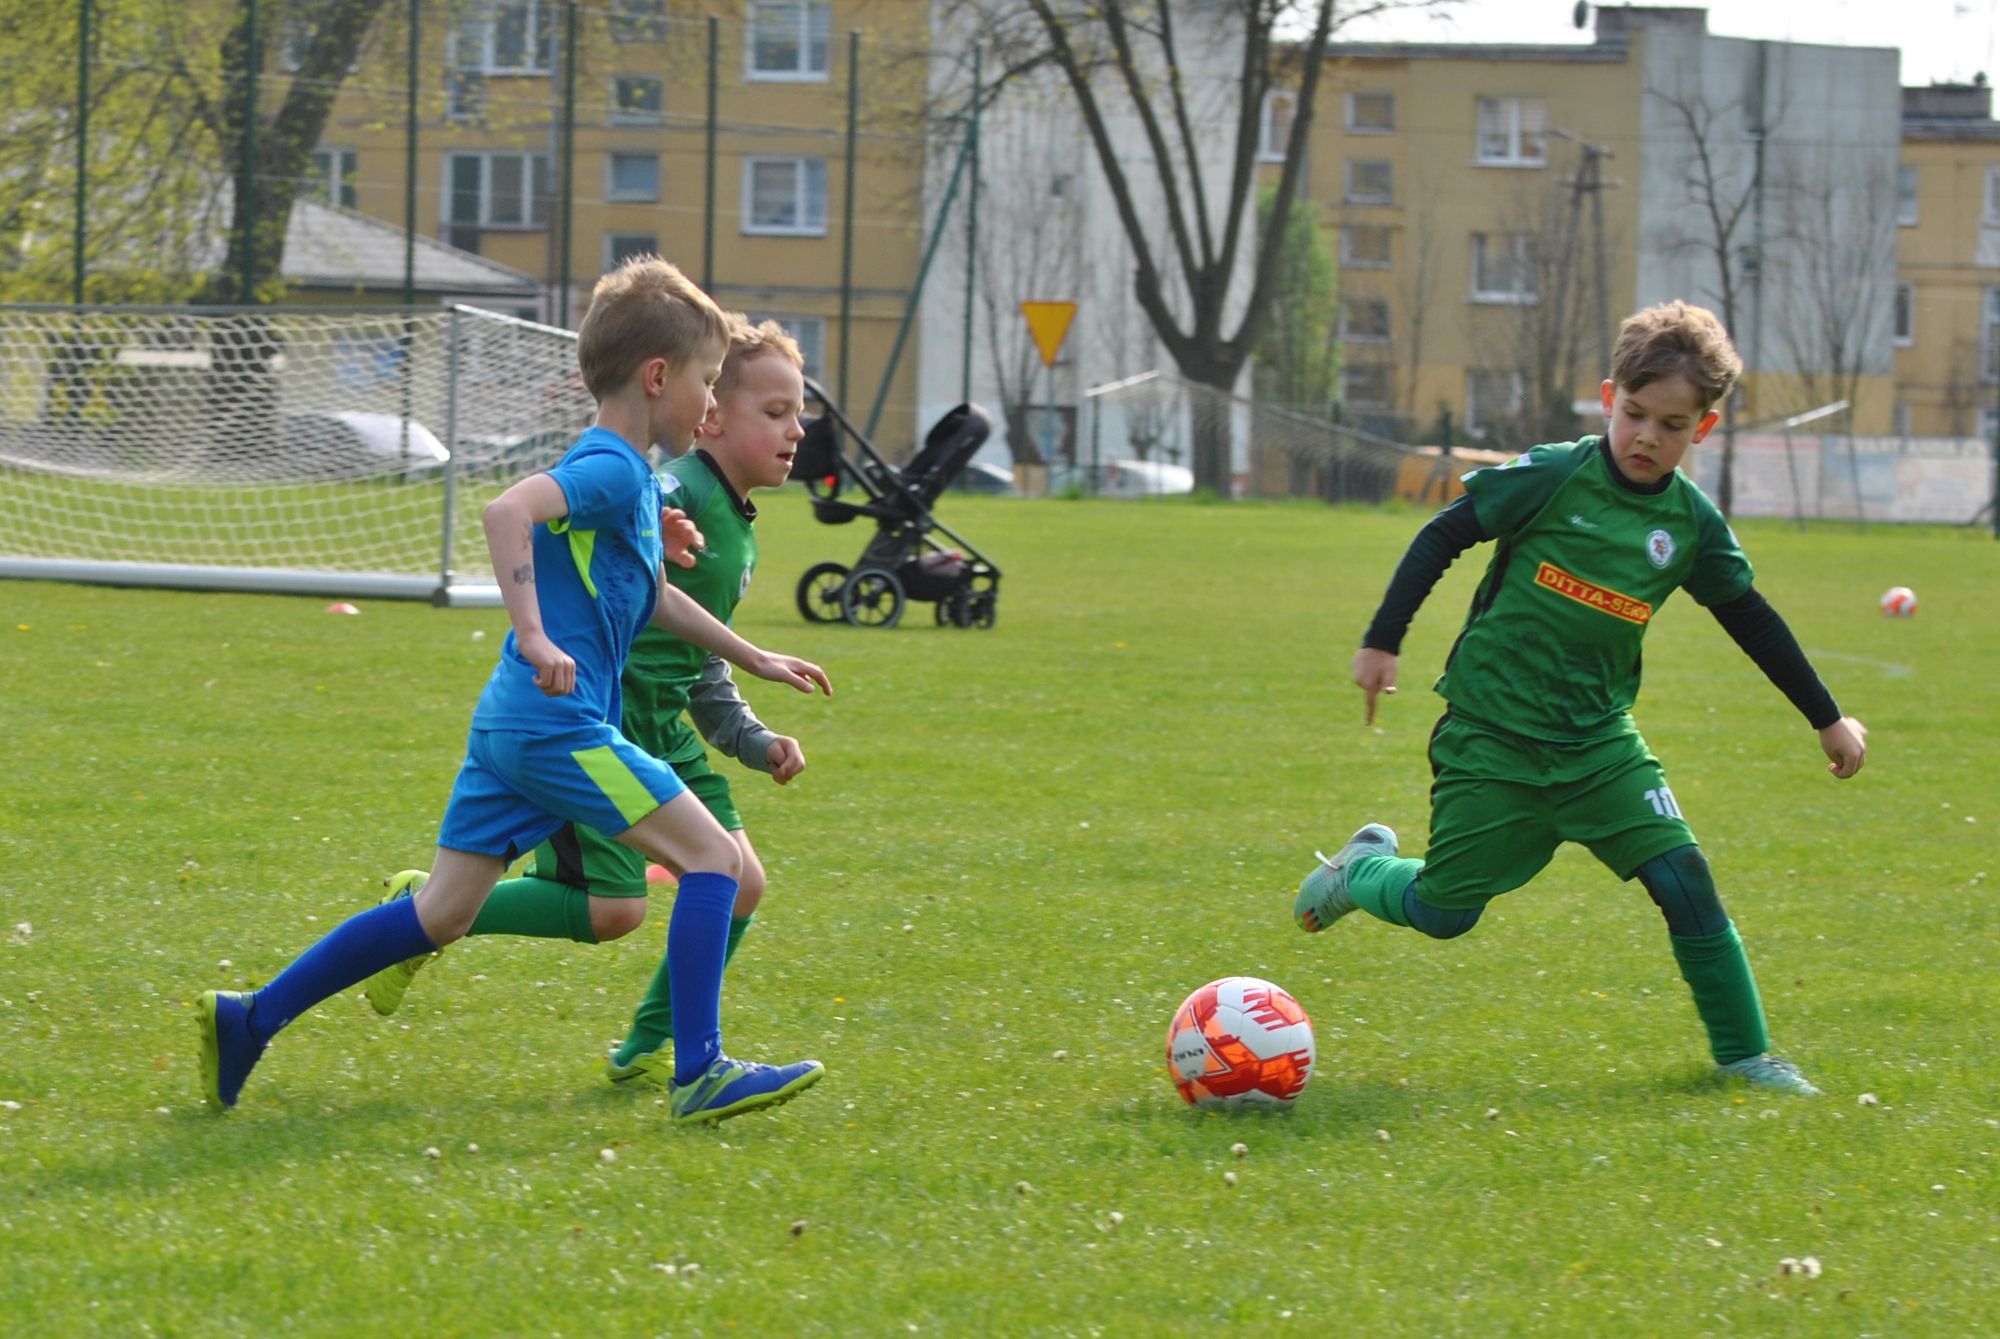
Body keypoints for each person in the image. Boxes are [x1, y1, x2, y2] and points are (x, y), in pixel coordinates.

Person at [196, 258, 832, 1125]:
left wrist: (750, 655)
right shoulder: (612, 467)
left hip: (509, 725)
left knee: (442, 912)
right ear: (658, 377)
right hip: (556, 726)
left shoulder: (630, 477)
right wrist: (533, 630)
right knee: (717, 861)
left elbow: (647, 594)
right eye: (706, 382)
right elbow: (506, 512)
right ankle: (701, 1071)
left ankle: (251, 1017)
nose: (710, 403)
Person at [1293, 301, 1867, 1097]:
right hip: (1492, 736)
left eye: (1671, 424)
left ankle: (1747, 1056)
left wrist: (1826, 716)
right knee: (1444, 911)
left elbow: (1750, 618)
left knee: (1685, 879)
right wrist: (1382, 638)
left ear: (1701, 429)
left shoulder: (1689, 525)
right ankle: (1361, 873)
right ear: (1609, 398)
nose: (1645, 437)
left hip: (1599, 746)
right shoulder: (1556, 474)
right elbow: (1443, 534)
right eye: (1634, 414)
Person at [362, 316, 813, 1092]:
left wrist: (748, 734)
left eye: (797, 413)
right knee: (615, 909)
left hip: (667, 731)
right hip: (601, 724)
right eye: (773, 412)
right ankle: (425, 914)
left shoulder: (734, 522)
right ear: (708, 409)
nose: (796, 430)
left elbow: (695, 658)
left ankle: (650, 1045)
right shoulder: (676, 488)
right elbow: (579, 527)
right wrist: (540, 631)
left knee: (734, 882)